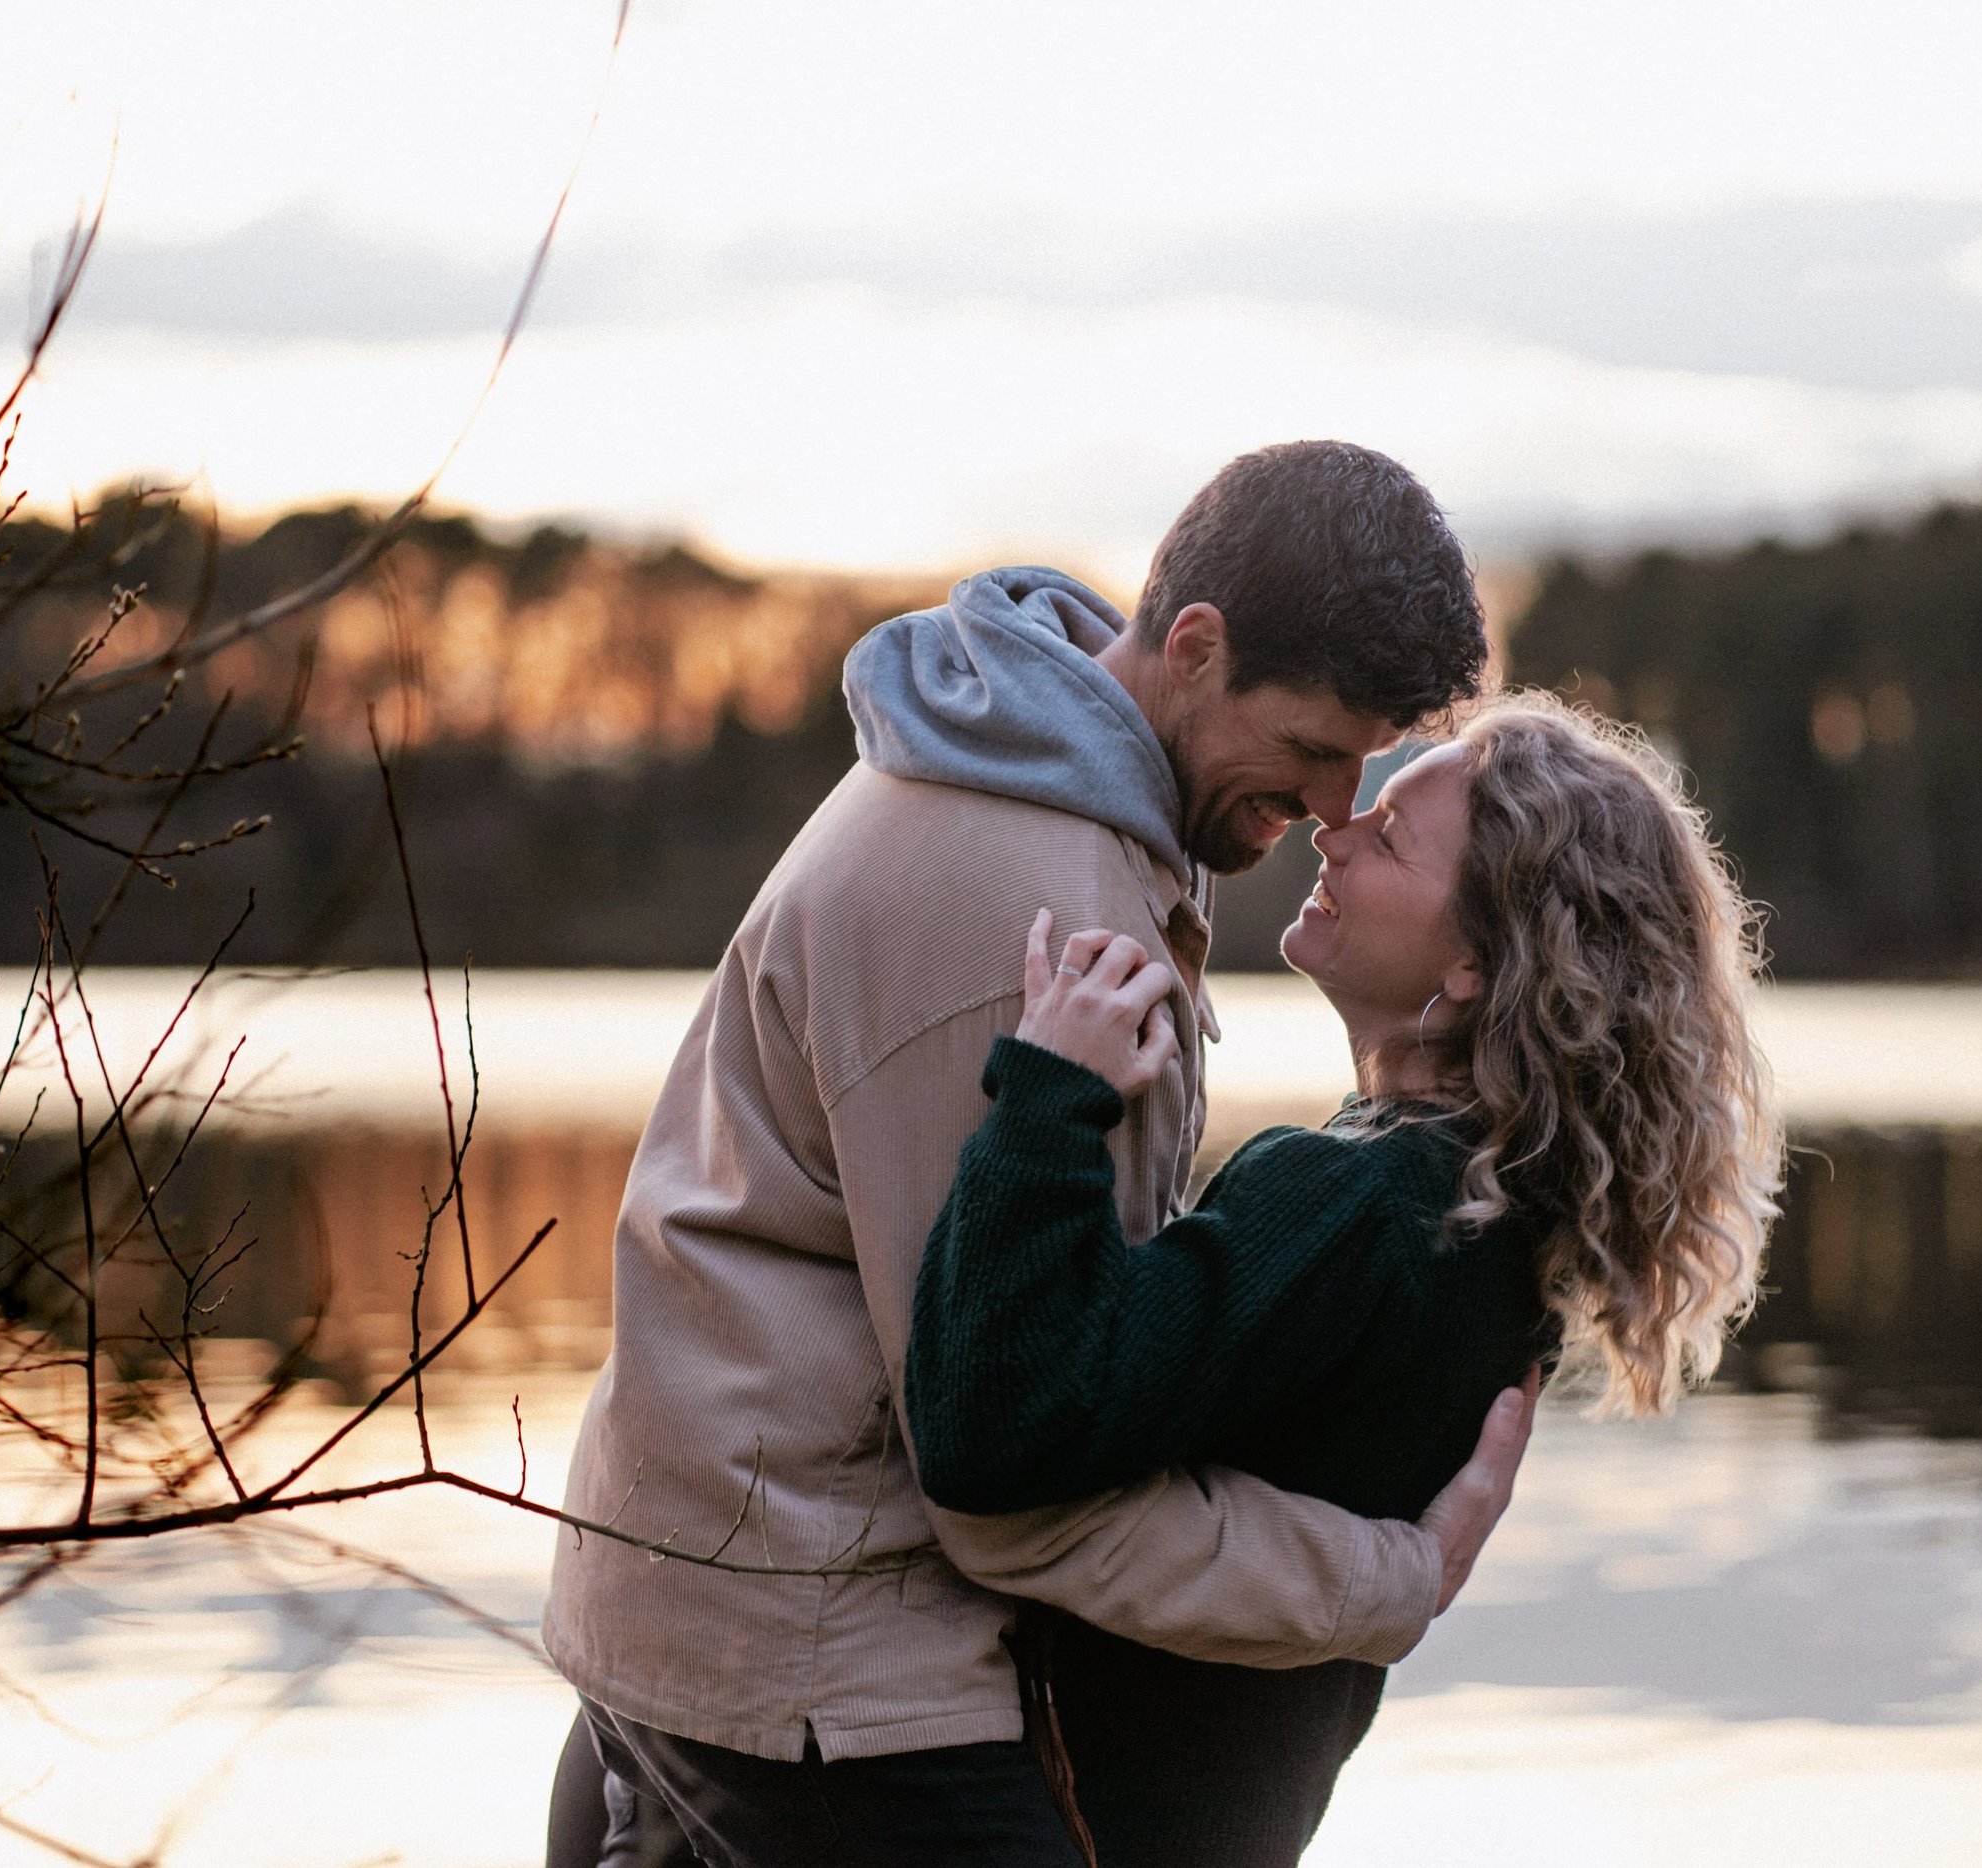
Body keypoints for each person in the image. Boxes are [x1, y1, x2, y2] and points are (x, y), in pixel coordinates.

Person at [543, 441, 1533, 1867]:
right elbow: (1012, 1475)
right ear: (1196, 648)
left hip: (739, 1615)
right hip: (819, 1668)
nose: (1331, 810)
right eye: (1316, 751)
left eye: (1364, 767)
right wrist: (1392, 1577)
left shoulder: (1057, 787)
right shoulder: (1033, 916)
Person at [905, 696, 1784, 1864]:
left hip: (1088, 1829)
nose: (1333, 833)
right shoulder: (1489, 1219)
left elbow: (990, 1427)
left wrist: (1049, 1095)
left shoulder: (1358, 1204)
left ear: (1473, 960)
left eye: (1389, 834)